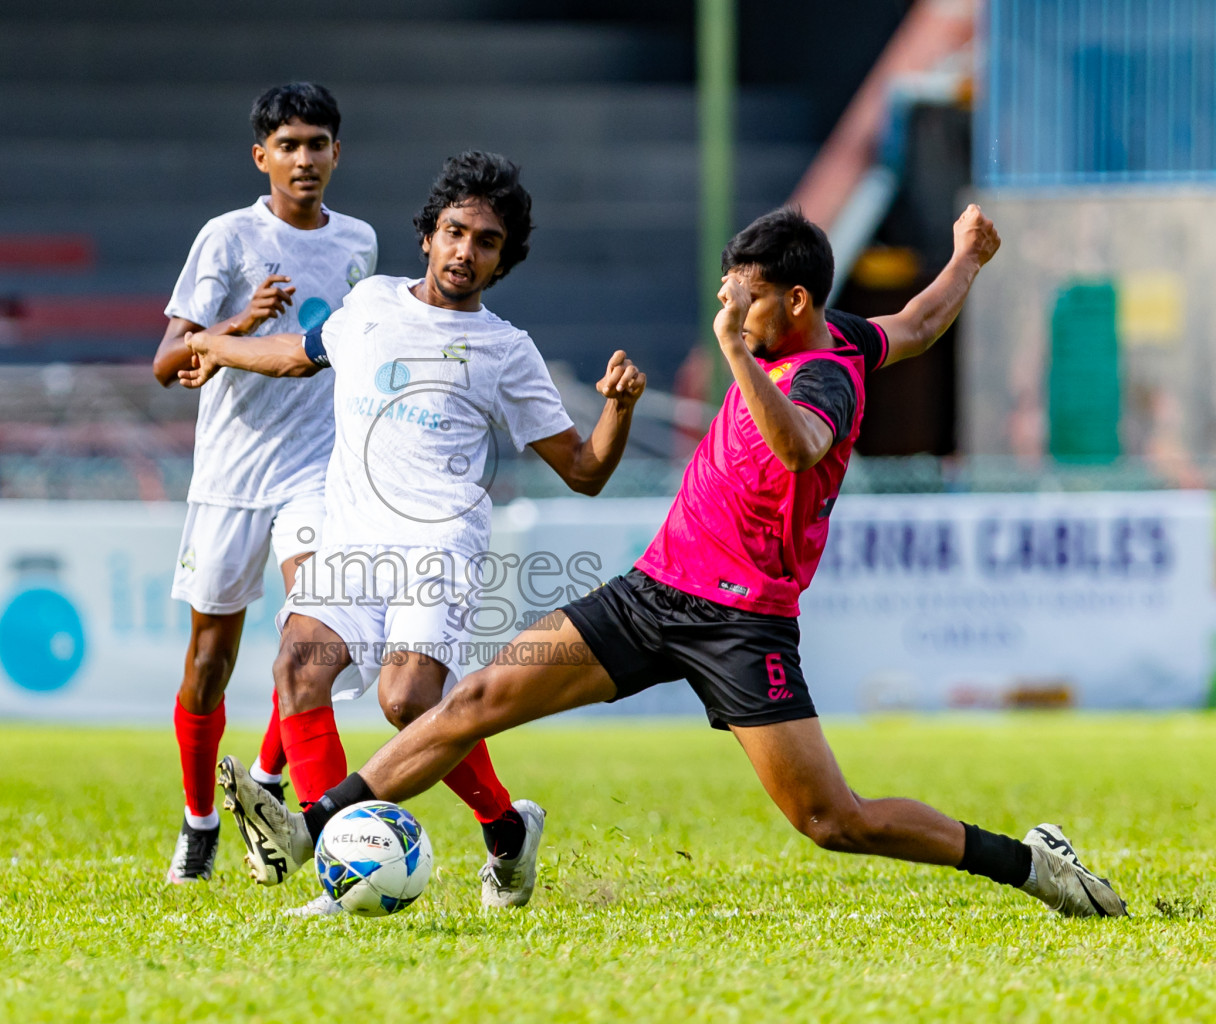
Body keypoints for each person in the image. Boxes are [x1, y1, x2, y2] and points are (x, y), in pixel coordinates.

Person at [217, 204, 1130, 919]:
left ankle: (1029, 863)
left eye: (744, 296)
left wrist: (735, 351)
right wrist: (967, 255)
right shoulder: (848, 330)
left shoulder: (824, 374)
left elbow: (802, 448)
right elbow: (922, 323)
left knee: (830, 821)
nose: (730, 308)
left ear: (795, 303)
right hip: (653, 593)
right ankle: (309, 826)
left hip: (742, 623)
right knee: (474, 701)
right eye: (728, 294)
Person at [180, 151, 647, 914]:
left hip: (439, 546)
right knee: (297, 669)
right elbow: (297, 357)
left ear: (504, 259)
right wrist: (214, 346)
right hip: (351, 535)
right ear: (428, 235)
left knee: (408, 701)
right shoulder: (367, 303)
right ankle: (337, 873)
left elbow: (585, 470)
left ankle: (504, 831)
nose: (466, 250)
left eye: (486, 241)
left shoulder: (506, 349)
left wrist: (618, 411)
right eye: (455, 231)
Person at [151, 82, 377, 884]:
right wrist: (239, 327)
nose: (304, 159)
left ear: (336, 154)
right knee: (208, 662)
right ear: (262, 156)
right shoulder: (227, 239)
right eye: (288, 145)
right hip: (231, 476)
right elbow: (167, 362)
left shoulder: (359, 244)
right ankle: (201, 821)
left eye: (318, 144)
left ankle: (276, 789)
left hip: (317, 474)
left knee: (310, 639)